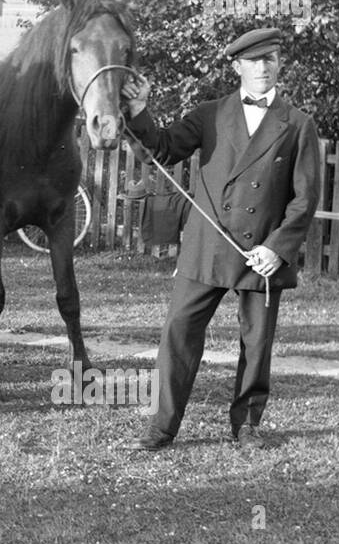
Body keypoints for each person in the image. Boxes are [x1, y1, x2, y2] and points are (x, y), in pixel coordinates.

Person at [121, 26, 321, 451]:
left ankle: (247, 425)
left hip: (261, 253)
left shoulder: (299, 125)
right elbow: (162, 148)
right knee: (178, 331)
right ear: (237, 67)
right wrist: (139, 109)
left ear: (279, 63)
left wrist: (277, 247)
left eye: (269, 59)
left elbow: (305, 200)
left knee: (257, 341)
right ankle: (161, 425)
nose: (262, 67)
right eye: (253, 60)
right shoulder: (210, 113)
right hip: (208, 246)